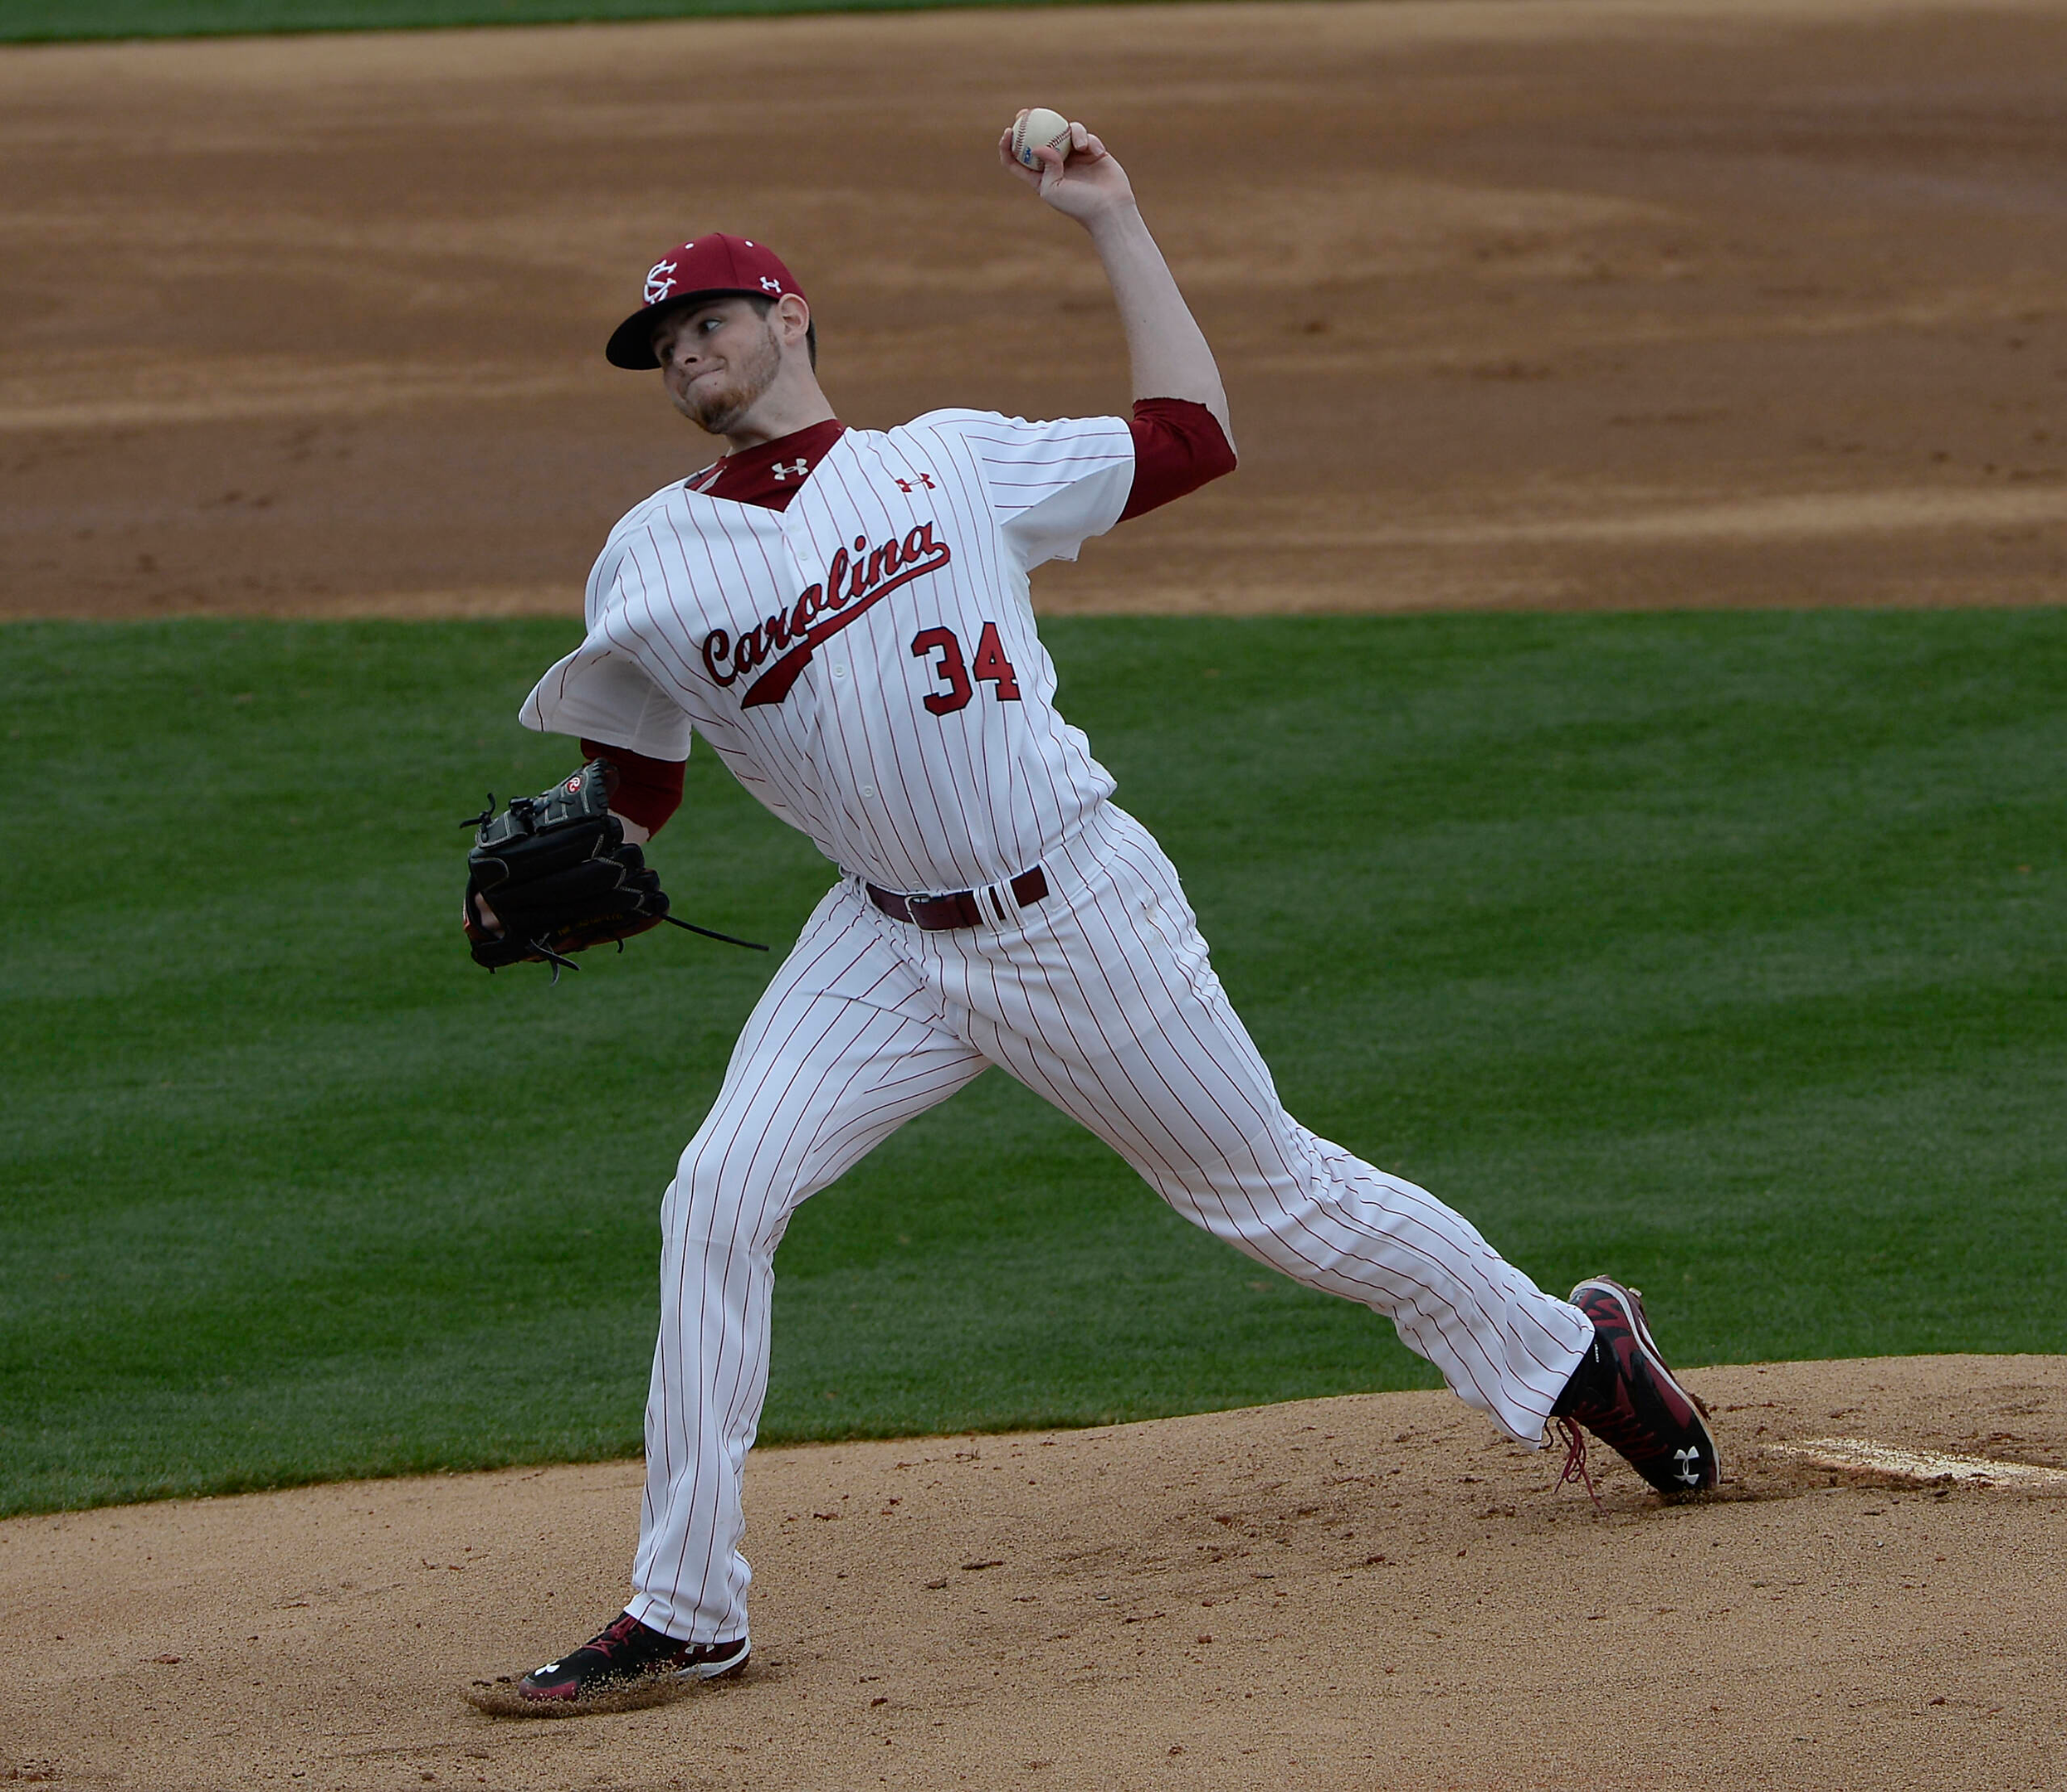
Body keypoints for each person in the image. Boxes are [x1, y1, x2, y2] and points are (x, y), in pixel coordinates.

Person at [487, 117, 1718, 1710]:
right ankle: (685, 1607)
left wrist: (1112, 220)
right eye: (661, 346)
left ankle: (1572, 1357)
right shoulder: (647, 557)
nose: (685, 357)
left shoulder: (948, 461)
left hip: (1073, 911)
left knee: (1275, 1199)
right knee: (716, 1195)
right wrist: (561, 869)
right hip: (881, 945)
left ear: (789, 316)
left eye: (707, 322)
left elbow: (1191, 437)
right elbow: (631, 779)